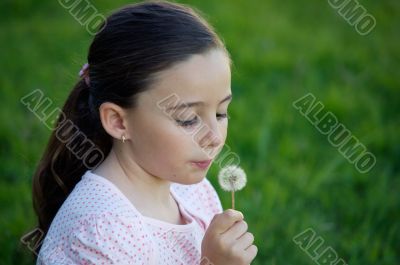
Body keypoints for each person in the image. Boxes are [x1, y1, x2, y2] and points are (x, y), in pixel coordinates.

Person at [33, 1, 257, 264]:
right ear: (118, 121)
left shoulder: (194, 192)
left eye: (220, 113)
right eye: (187, 119)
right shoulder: (100, 233)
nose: (215, 137)